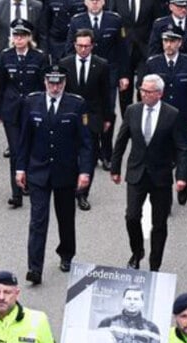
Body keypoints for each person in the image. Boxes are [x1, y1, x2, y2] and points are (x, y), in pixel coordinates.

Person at [16, 66, 93, 283]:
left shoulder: (76, 105)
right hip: (38, 171)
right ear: (45, 82)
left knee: (65, 218)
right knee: (37, 221)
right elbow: (23, 140)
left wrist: (85, 172)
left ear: (65, 83)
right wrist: (20, 169)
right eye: (51, 82)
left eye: (59, 82)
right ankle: (34, 268)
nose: (55, 87)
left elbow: (86, 143)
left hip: (66, 172)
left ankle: (66, 254)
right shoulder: (31, 103)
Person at [110, 74, 187, 271]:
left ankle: (155, 263)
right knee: (131, 216)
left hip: (160, 176)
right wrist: (115, 168)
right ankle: (137, 252)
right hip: (136, 172)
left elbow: (182, 148)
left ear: (159, 94)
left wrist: (182, 176)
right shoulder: (132, 111)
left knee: (159, 223)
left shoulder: (172, 114)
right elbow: (121, 141)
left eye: (148, 91)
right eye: (142, 90)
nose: (144, 94)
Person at [145, 27, 187, 205]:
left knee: (184, 152)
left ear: (180, 43)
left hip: (183, 117)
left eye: (172, 41)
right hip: (160, 118)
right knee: (163, 158)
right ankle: (165, 197)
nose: (168, 45)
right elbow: (146, 93)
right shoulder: (153, 63)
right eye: (165, 41)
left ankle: (182, 181)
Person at [66, 0, 129, 170]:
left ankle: (107, 153)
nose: (95, 3)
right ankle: (88, 149)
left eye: (99, 0)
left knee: (107, 112)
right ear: (85, 2)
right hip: (85, 74)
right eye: (91, 0)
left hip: (109, 73)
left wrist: (124, 75)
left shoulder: (114, 19)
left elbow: (122, 49)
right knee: (86, 111)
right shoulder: (77, 20)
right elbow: (69, 50)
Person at [0, 19, 49, 209]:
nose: (18, 39)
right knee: (16, 150)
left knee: (33, 148)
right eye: (15, 36)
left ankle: (30, 182)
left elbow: (44, 87)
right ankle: (16, 194)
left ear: (29, 38)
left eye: (22, 36)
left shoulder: (39, 57)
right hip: (11, 109)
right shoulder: (5, 56)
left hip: (32, 109)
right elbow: (1, 85)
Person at [60, 28, 113, 210]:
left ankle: (83, 193)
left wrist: (107, 118)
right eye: (79, 46)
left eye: (86, 46)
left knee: (88, 156)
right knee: (69, 156)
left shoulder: (101, 65)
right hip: (70, 117)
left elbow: (106, 93)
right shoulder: (65, 63)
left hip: (93, 116)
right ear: (74, 45)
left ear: (92, 46)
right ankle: (69, 187)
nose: (83, 49)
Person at [113, 0, 159, 119]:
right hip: (124, 51)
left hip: (145, 51)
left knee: (143, 86)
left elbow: (157, 22)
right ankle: (127, 122)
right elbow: (112, 22)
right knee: (124, 90)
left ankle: (142, 120)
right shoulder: (117, 2)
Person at [0, 0, 47, 68]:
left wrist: (43, 57)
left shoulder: (37, 6)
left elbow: (43, 34)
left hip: (31, 58)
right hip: (4, 57)